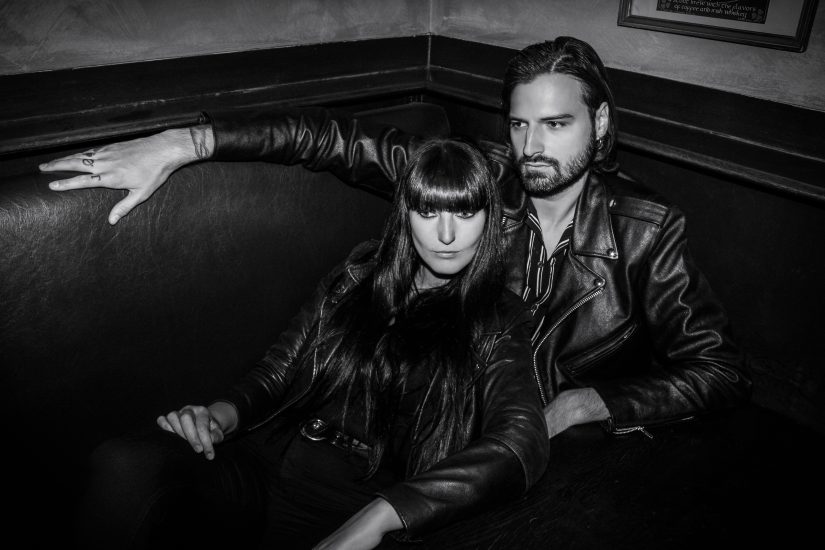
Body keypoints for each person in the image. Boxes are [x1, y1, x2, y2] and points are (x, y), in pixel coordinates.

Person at [42, 36, 751, 441]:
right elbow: (329, 138)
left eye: (557, 124)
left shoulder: (645, 229)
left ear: (599, 124)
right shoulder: (475, 178)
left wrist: (582, 406)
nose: (532, 147)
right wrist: (184, 143)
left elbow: (719, 371)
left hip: (539, 456)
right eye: (519, 124)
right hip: (435, 429)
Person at [73, 137, 549, 550]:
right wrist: (217, 417)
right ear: (406, 214)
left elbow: (519, 441)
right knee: (124, 464)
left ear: (488, 219)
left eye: (464, 212)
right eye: (428, 211)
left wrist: (383, 516)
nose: (446, 235)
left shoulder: (499, 319)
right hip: (267, 460)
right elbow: (279, 370)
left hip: (354, 502)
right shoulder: (360, 274)